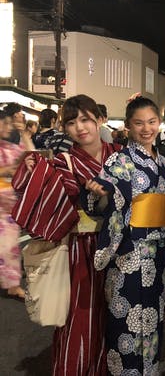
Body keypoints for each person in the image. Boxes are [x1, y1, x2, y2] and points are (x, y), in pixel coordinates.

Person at [12, 94, 121, 376]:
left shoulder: (121, 155)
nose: (79, 128)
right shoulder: (64, 161)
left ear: (100, 119)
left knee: (116, 316)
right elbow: (39, 192)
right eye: (71, 123)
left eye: (85, 119)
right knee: (79, 317)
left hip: (118, 247)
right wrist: (32, 171)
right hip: (81, 249)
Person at [91, 96, 165, 375]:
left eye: (152, 122)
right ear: (128, 126)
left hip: (157, 254)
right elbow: (105, 195)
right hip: (128, 251)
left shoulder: (163, 163)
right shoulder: (120, 160)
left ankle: (149, 370)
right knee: (125, 318)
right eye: (139, 123)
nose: (146, 129)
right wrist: (101, 193)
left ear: (159, 123)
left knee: (153, 316)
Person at [0, 110, 33, 300]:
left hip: (7, 208)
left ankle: (12, 285)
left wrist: (24, 134)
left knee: (10, 247)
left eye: (8, 123)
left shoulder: (9, 147)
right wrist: (5, 170)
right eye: (3, 123)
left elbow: (30, 155)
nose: (7, 127)